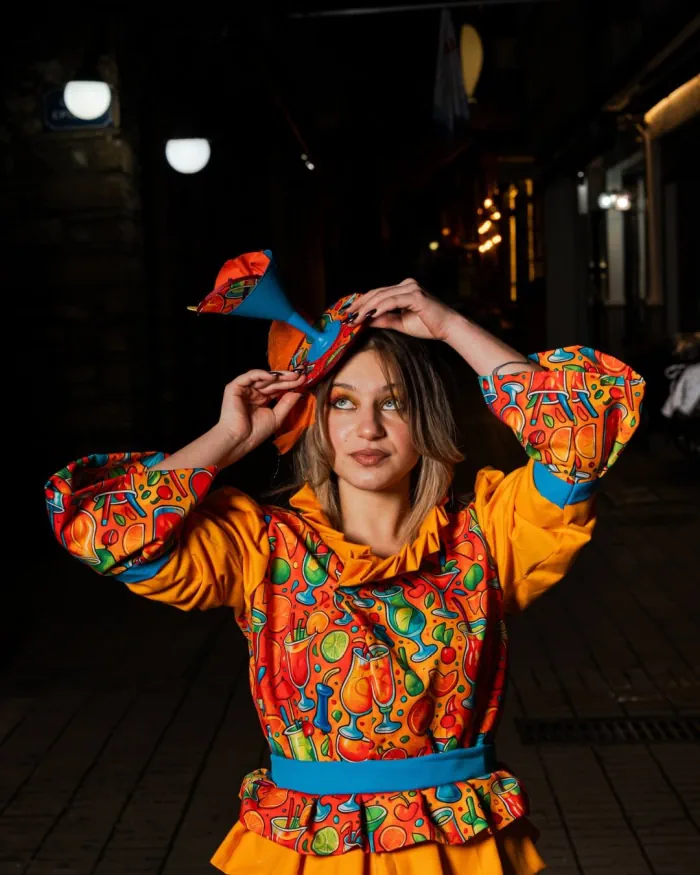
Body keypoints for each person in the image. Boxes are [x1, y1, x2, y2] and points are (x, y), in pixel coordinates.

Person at [45, 260, 645, 875]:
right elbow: (100, 532)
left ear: (426, 416)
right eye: (342, 402)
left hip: (456, 851)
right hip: (308, 853)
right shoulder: (262, 546)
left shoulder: (487, 537)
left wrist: (450, 327)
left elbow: (585, 430)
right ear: (313, 418)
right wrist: (230, 438)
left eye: (394, 402)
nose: (368, 428)